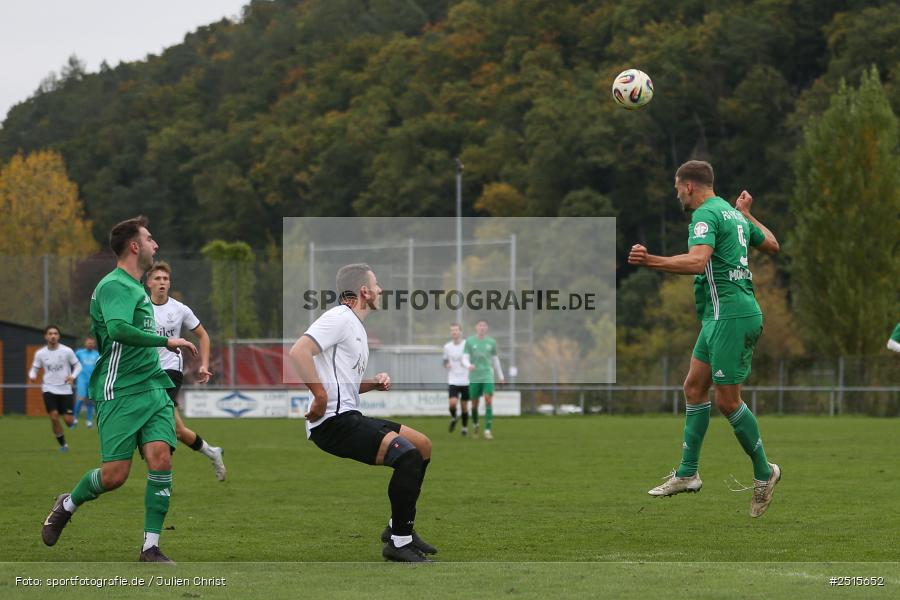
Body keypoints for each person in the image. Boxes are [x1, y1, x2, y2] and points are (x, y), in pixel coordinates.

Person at [628, 160, 782, 518]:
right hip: (719, 315)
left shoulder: (704, 216)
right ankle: (687, 473)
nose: (677, 193)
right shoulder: (732, 213)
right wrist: (747, 213)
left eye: (678, 187)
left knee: (728, 402)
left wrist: (652, 261)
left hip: (732, 314)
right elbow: (772, 243)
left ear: (691, 186)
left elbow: (698, 262)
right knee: (694, 388)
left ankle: (764, 471)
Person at [41, 216, 198, 563]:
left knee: (161, 457)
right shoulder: (114, 286)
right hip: (119, 390)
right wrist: (165, 340)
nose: (155, 245)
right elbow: (117, 330)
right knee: (115, 476)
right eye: (150, 238)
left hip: (152, 387)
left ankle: (150, 547)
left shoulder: (137, 289)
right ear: (134, 246)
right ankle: (68, 503)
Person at [289, 263, 436, 563]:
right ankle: (399, 542)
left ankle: (398, 527)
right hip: (333, 424)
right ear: (364, 291)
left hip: (349, 416)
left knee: (421, 446)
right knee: (406, 456)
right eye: (377, 284)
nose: (381, 290)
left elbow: (345, 384)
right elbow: (298, 352)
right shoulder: (339, 317)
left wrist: (371, 383)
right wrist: (318, 395)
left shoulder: (355, 326)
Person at [146, 261, 226, 481]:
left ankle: (161, 464)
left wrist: (204, 364)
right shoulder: (140, 307)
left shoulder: (179, 309)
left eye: (166, 279)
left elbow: (203, 335)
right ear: (148, 283)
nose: (162, 282)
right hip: (145, 372)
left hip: (170, 371)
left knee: (158, 419)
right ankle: (211, 451)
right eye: (157, 279)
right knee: (178, 430)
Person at [29, 325, 82, 452]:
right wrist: (32, 375)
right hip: (48, 389)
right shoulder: (40, 353)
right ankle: (64, 445)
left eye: (55, 333)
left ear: (59, 336)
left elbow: (78, 365)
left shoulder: (67, 351)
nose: (53, 336)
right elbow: (34, 368)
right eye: (50, 333)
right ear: (46, 336)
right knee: (53, 417)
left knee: (68, 421)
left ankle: (72, 421)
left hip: (65, 390)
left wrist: (72, 376)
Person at [464, 319, 505, 440]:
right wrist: (468, 366)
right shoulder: (470, 342)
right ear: (476, 327)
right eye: (480, 325)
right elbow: (464, 358)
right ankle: (476, 425)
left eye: (484, 326)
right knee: (474, 404)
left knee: (488, 400)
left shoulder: (491, 342)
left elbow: (495, 360)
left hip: (488, 375)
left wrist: (501, 376)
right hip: (474, 376)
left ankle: (487, 430)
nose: (482, 328)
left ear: (486, 328)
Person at [443, 322, 471, 436]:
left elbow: (472, 359)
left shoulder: (466, 345)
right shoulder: (447, 347)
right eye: (452, 330)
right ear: (451, 332)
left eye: (456, 330)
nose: (454, 332)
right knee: (452, 403)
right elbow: (444, 360)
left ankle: (464, 428)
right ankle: (454, 417)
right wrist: (447, 365)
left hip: (465, 380)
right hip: (453, 380)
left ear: (460, 332)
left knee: (464, 407)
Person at [73, 336, 99, 428]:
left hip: (92, 381)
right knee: (81, 399)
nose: (90, 344)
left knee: (91, 401)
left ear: (94, 344)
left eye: (92, 343)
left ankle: (89, 421)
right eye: (89, 343)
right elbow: (73, 362)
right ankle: (75, 418)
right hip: (81, 379)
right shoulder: (79, 353)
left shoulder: (96, 354)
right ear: (85, 343)